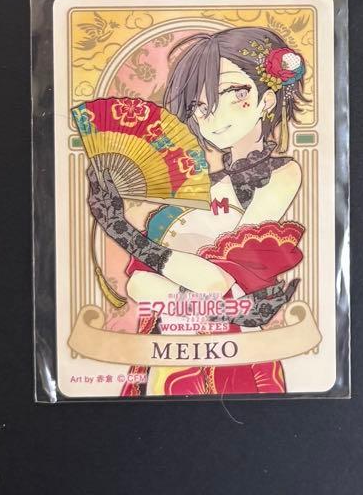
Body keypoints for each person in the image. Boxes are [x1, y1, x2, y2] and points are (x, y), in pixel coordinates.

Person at [84, 27, 310, 396]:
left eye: (234, 94)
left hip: (234, 352)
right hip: (166, 349)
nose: (213, 117)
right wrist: (215, 297)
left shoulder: (280, 174)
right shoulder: (189, 184)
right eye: (199, 106)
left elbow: (215, 279)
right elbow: (141, 285)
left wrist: (119, 229)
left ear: (267, 100)